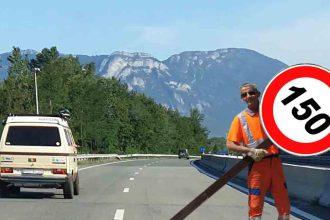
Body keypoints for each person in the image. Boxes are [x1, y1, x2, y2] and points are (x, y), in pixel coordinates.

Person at [226, 83, 290, 220]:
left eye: (251, 93)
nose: (248, 96)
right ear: (242, 98)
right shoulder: (240, 119)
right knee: (255, 208)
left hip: (276, 162)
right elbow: (230, 144)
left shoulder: (271, 113)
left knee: (284, 208)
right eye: (244, 95)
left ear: (258, 94)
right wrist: (249, 151)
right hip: (257, 166)